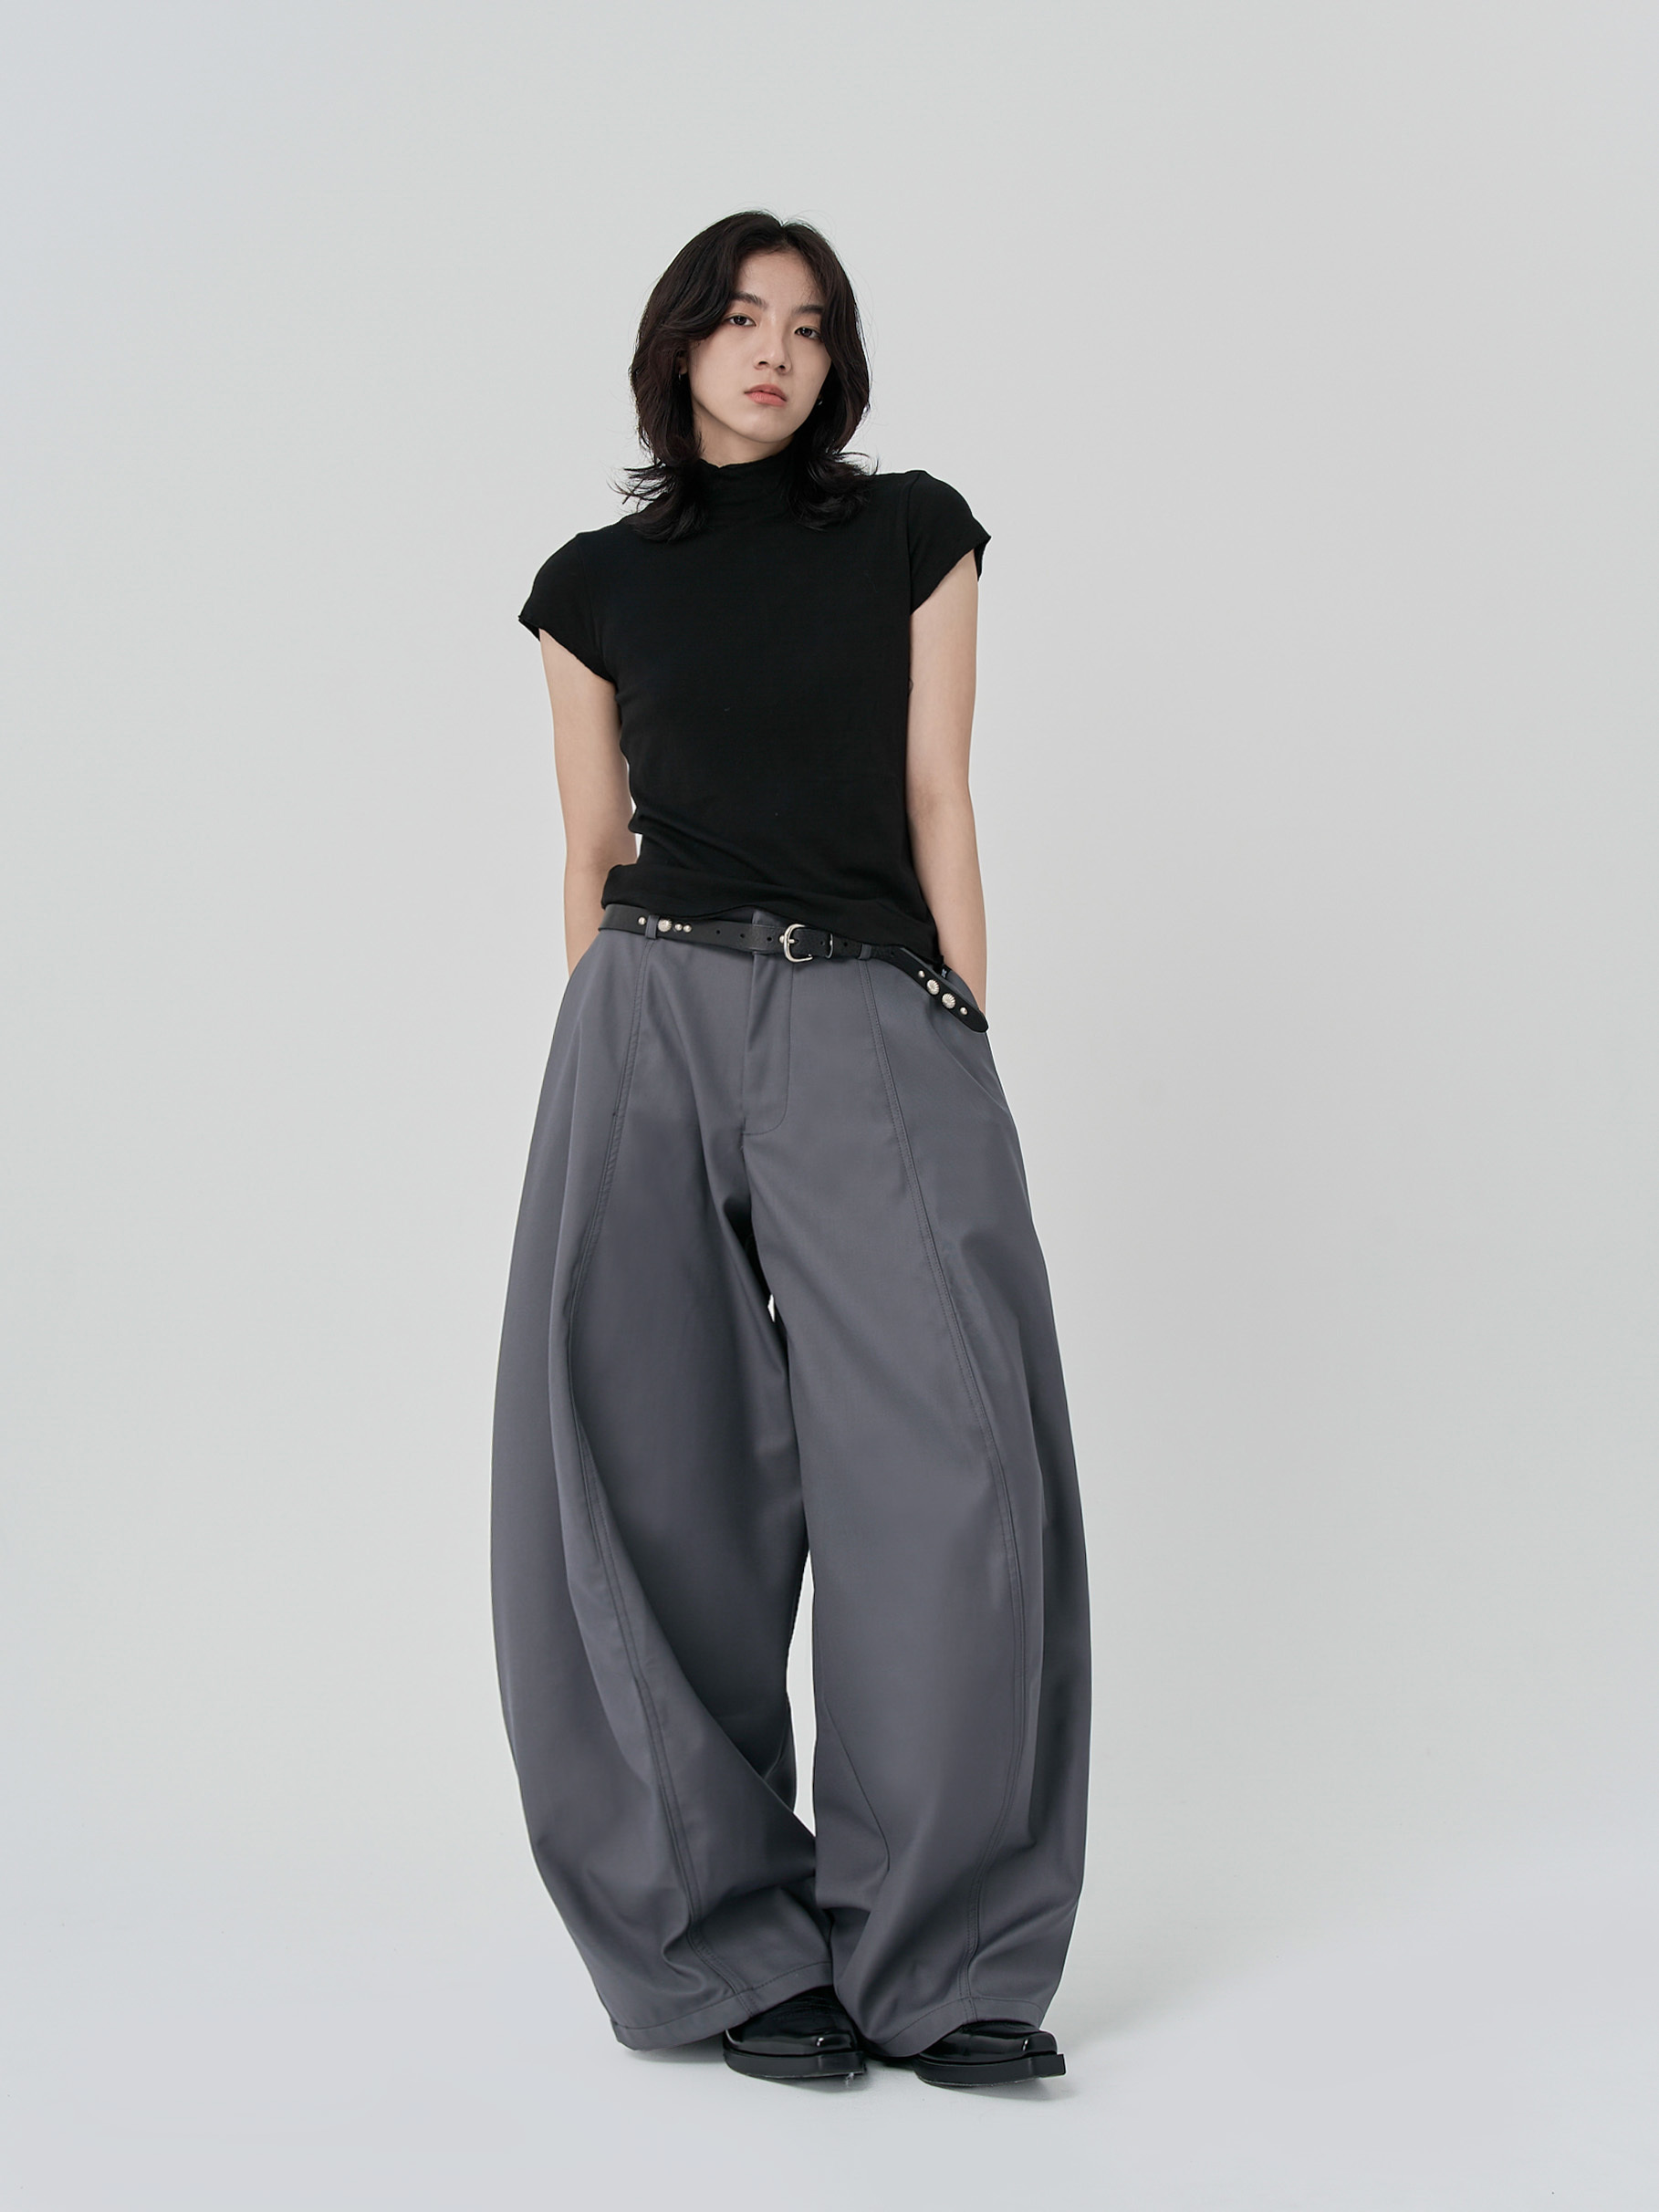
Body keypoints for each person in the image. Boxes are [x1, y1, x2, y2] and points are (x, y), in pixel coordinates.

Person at [491, 210, 1090, 2091]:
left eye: (811, 328)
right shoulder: (590, 586)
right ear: (678, 345)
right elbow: (592, 842)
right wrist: (603, 1061)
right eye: (742, 319)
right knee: (647, 1470)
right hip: (645, 1010)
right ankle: (721, 1946)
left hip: (867, 1008)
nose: (775, 352)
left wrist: (959, 1024)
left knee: (952, 1469)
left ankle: (947, 1956)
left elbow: (937, 794)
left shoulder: (911, 533)